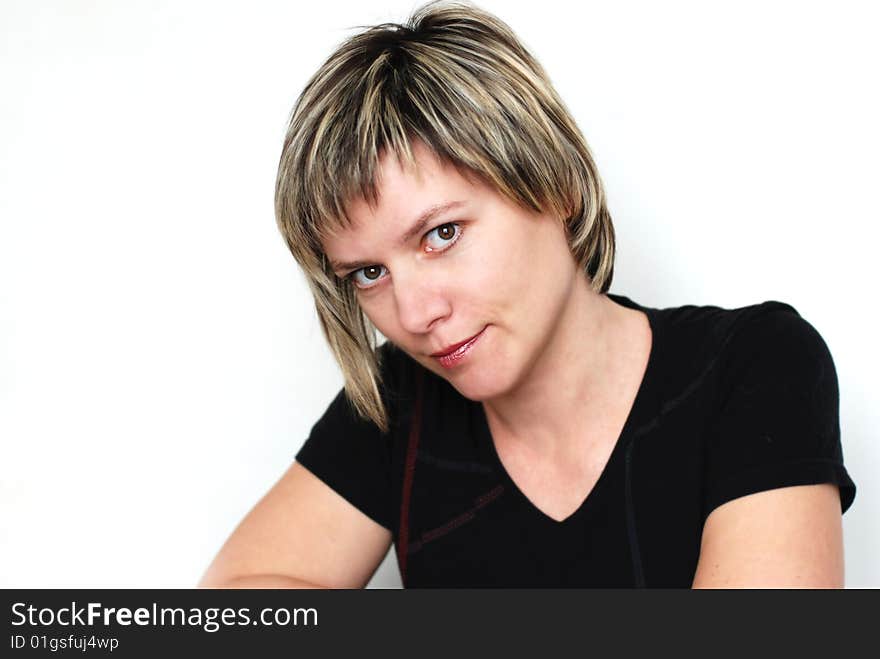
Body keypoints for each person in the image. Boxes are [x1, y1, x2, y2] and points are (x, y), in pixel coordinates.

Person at [198, 0, 856, 589]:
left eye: (441, 233)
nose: (414, 314)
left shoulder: (754, 366)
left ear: (556, 184)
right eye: (368, 273)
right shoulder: (398, 402)